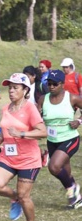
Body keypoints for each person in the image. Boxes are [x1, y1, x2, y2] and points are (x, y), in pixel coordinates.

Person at [0, 73, 47, 221]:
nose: (11, 91)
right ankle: (14, 198)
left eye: (15, 87)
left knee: (24, 196)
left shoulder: (30, 108)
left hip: (28, 160)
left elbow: (42, 132)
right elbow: (7, 129)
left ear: (25, 90)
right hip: (8, 156)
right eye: (10, 87)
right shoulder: (6, 108)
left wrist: (22, 134)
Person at [37, 69, 82, 209]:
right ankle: (77, 198)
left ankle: (71, 188)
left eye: (55, 84)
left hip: (70, 138)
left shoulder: (72, 98)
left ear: (62, 84)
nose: (51, 86)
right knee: (65, 171)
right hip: (52, 140)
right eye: (49, 83)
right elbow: (36, 117)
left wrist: (79, 121)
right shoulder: (43, 99)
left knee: (54, 166)